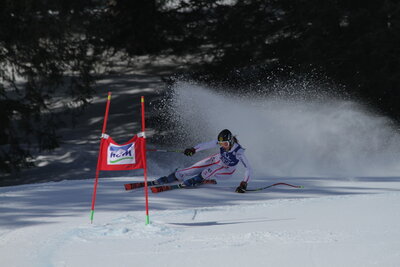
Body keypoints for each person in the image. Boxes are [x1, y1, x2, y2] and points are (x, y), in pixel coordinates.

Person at [153, 129, 253, 193]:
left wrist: (244, 183)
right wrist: (193, 149)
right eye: (221, 144)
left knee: (212, 169)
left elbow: (248, 168)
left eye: (225, 144)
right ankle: (176, 175)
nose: (223, 146)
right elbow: (207, 144)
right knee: (195, 167)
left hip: (227, 171)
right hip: (218, 159)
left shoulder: (238, 151)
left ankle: (196, 180)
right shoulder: (221, 143)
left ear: (230, 142)